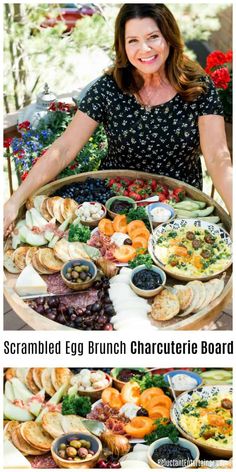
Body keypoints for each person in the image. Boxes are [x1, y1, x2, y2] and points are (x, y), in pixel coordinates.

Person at [4, 3, 232, 235]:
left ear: (169, 37)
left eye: (153, 37)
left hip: (178, 207)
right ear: (122, 45)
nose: (144, 49)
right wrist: (14, 202)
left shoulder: (198, 88)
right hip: (115, 207)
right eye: (132, 40)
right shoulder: (108, 88)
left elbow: (217, 157)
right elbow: (63, 149)